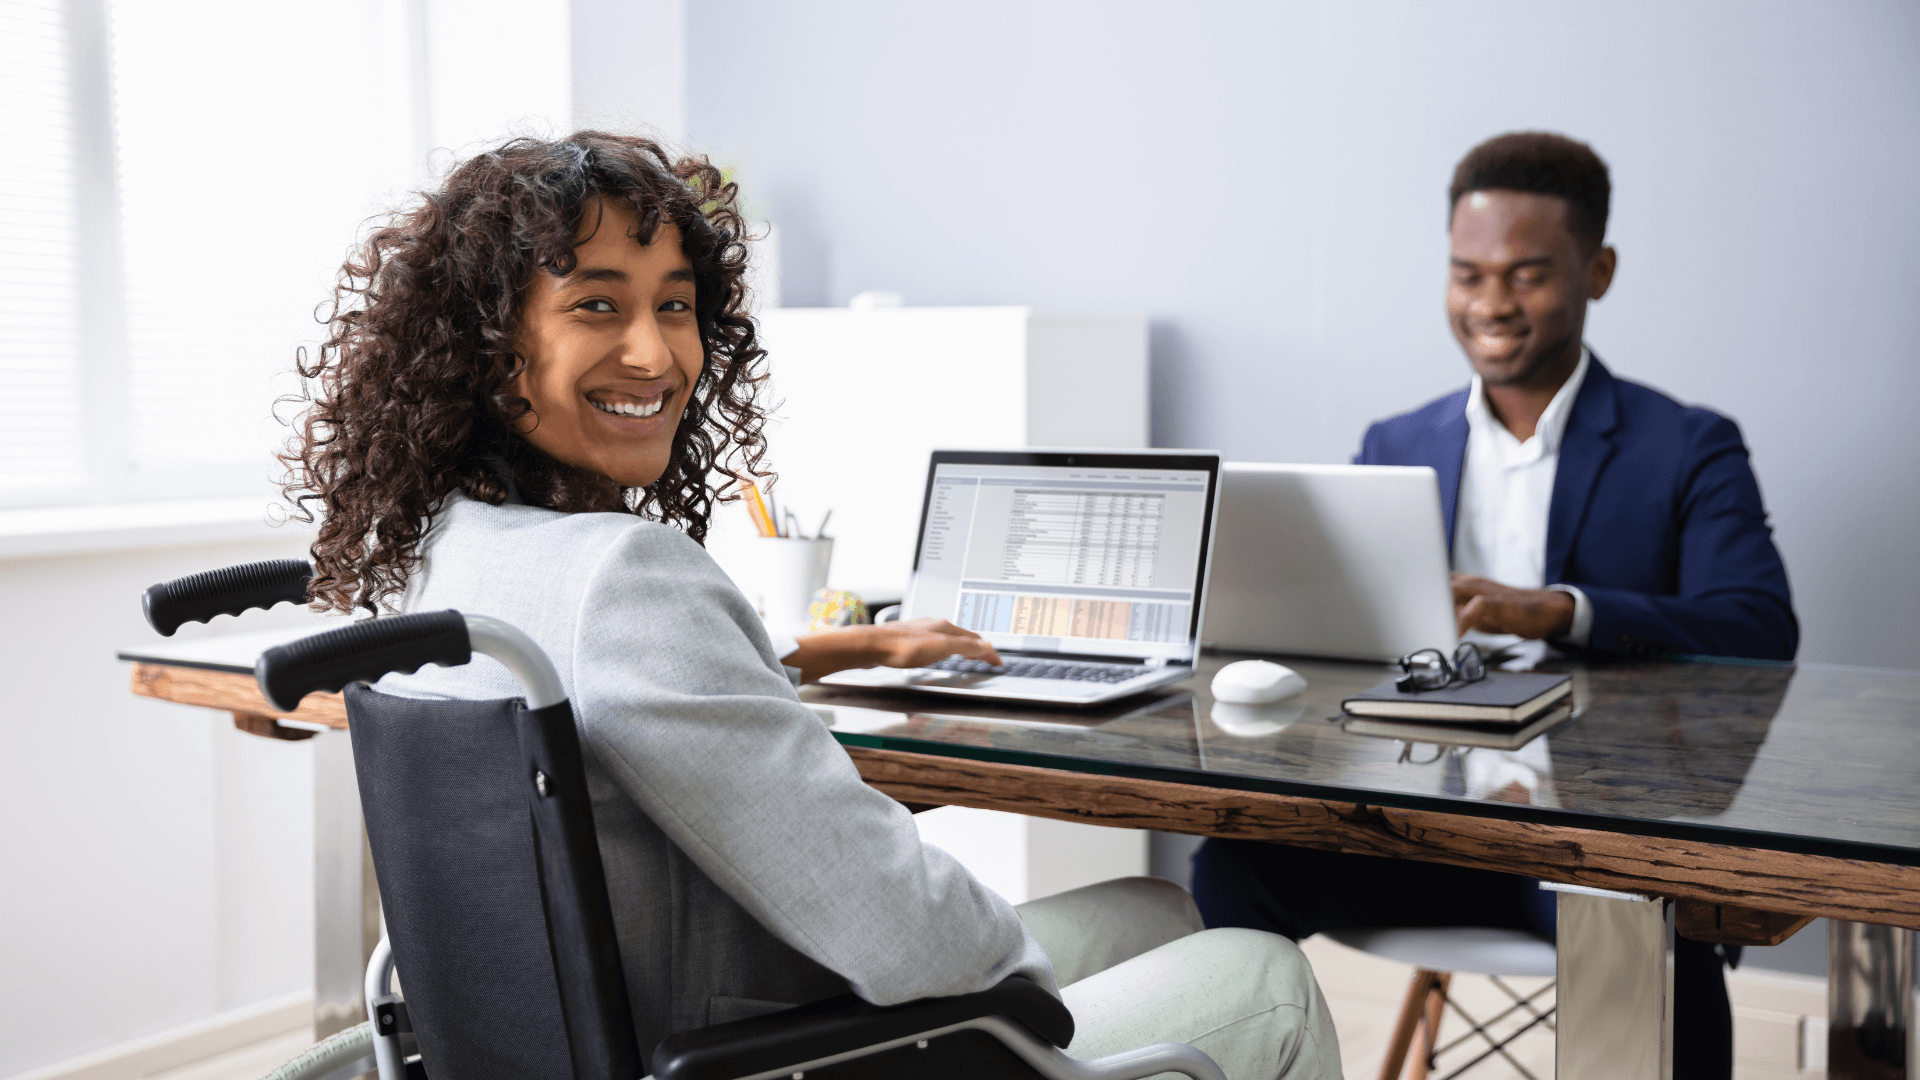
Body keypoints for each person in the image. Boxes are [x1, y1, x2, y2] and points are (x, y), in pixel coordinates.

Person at [283, 131, 1338, 1078]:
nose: (655, 354)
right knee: (1256, 974)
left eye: (676, 306)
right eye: (596, 303)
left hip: (580, 1037)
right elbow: (901, 935)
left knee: (1153, 907)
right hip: (765, 1055)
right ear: (488, 345)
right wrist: (1020, 1000)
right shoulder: (622, 578)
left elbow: (629, 705)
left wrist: (829, 655)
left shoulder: (443, 557)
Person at [1193, 132, 1799, 1080]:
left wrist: (1558, 612)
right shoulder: (1395, 442)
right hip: (1414, 822)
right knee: (1231, 866)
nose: (1489, 305)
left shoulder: (1687, 445)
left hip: (1590, 838)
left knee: (1650, 923)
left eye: (1525, 275)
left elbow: (1760, 626)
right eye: (1467, 274)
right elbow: (1345, 636)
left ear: (1597, 272)